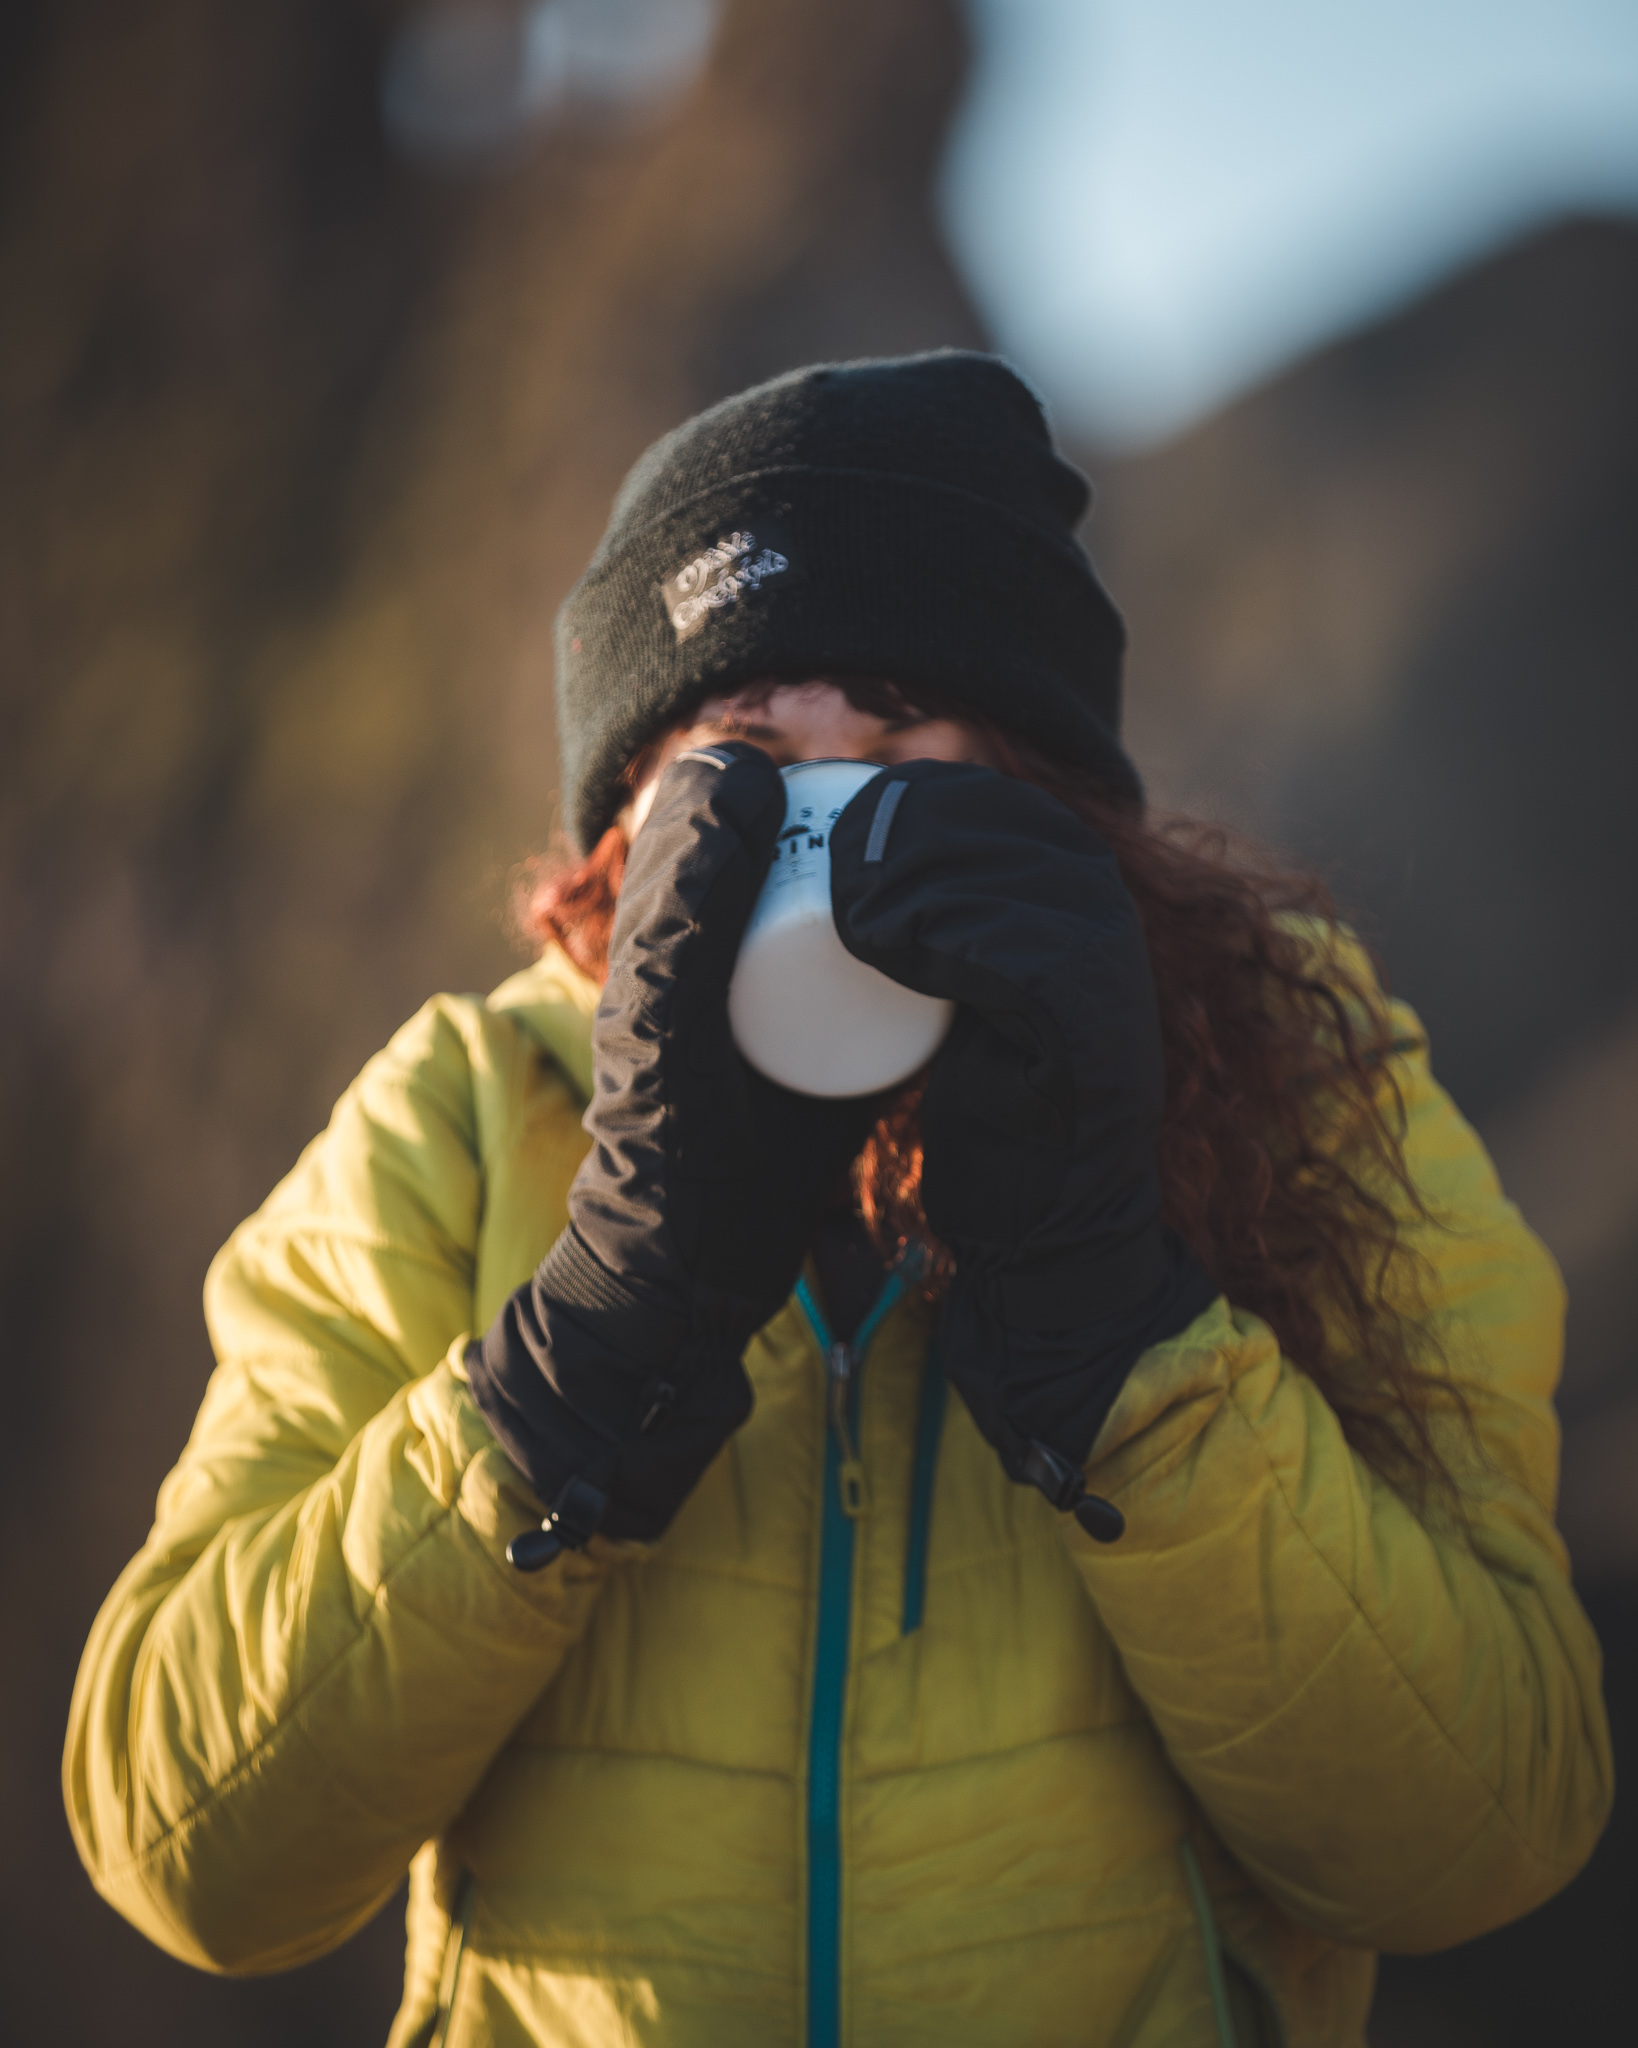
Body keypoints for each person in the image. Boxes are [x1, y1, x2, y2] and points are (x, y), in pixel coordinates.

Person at [65, 353, 1611, 2048]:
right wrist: (593, 1341)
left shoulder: (1298, 1096)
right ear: (623, 833)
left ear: (1037, 792)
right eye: (737, 755)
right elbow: (186, 1854)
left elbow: (1481, 1837)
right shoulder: (467, 1119)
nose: (821, 813)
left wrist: (1126, 1342)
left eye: (891, 732)